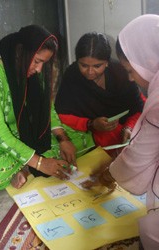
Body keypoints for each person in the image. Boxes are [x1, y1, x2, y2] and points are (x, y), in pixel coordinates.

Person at [0, 25, 76, 195]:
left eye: (43, 63)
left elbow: (46, 110)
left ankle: (23, 166)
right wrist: (40, 163)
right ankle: (28, 163)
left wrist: (63, 138)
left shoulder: (28, 72)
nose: (39, 69)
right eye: (37, 61)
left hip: (20, 136)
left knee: (77, 140)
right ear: (20, 52)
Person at [82, 14, 159, 250]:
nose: (130, 77)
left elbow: (139, 156)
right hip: (94, 135)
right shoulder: (72, 81)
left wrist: (109, 173)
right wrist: (90, 124)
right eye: (84, 65)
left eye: (130, 69)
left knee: (151, 228)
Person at [55, 32, 146, 157]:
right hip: (91, 134)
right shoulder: (72, 76)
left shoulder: (120, 72)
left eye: (97, 66)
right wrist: (91, 124)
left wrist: (129, 128)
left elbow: (138, 107)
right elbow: (62, 113)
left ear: (107, 62)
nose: (90, 72)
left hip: (128, 129)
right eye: (84, 65)